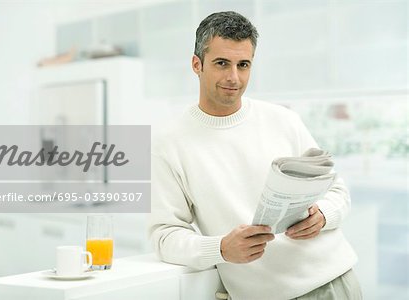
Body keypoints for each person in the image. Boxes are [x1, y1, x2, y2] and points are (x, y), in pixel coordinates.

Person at [148, 11, 361, 300]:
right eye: (222, 63)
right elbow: (164, 236)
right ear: (197, 64)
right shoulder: (169, 143)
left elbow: (337, 190)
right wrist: (221, 248)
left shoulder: (283, 119)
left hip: (335, 284)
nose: (234, 77)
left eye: (243, 64)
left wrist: (323, 215)